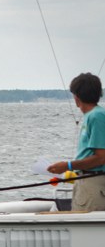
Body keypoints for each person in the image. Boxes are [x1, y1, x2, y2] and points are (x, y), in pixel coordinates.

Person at [48, 72, 105, 211]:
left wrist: (67, 165)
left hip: (93, 185)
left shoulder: (97, 116)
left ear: (77, 97)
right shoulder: (91, 116)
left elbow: (101, 157)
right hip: (84, 183)